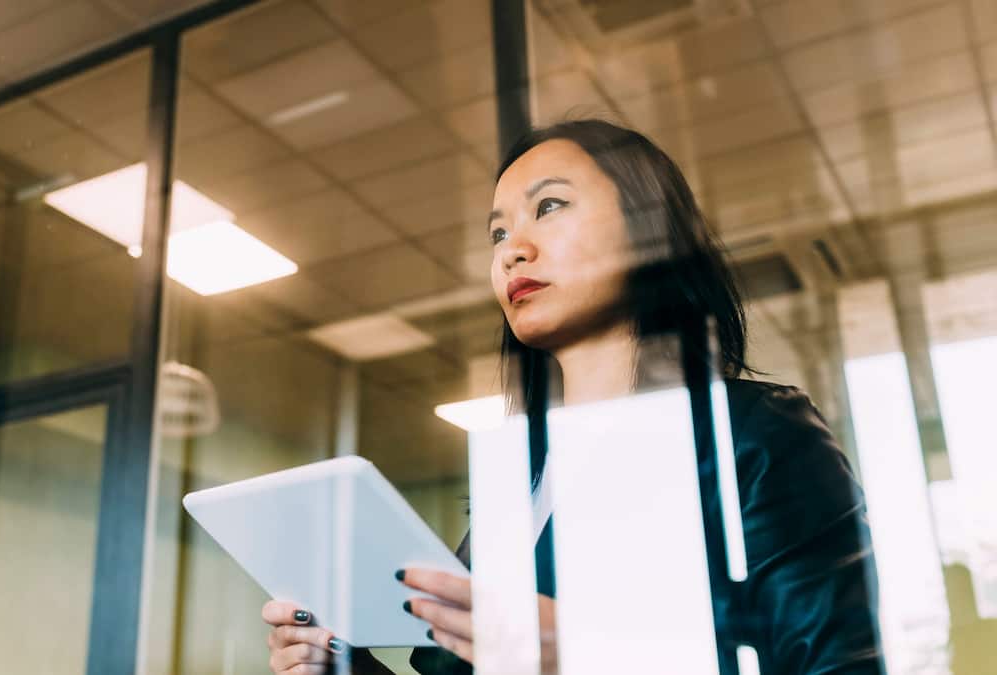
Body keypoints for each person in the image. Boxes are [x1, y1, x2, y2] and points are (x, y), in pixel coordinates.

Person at [261, 119, 885, 674]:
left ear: (650, 229)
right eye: (497, 232)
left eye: (550, 206)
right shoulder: (517, 483)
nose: (513, 249)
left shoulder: (757, 435)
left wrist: (594, 654)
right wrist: (340, 664)